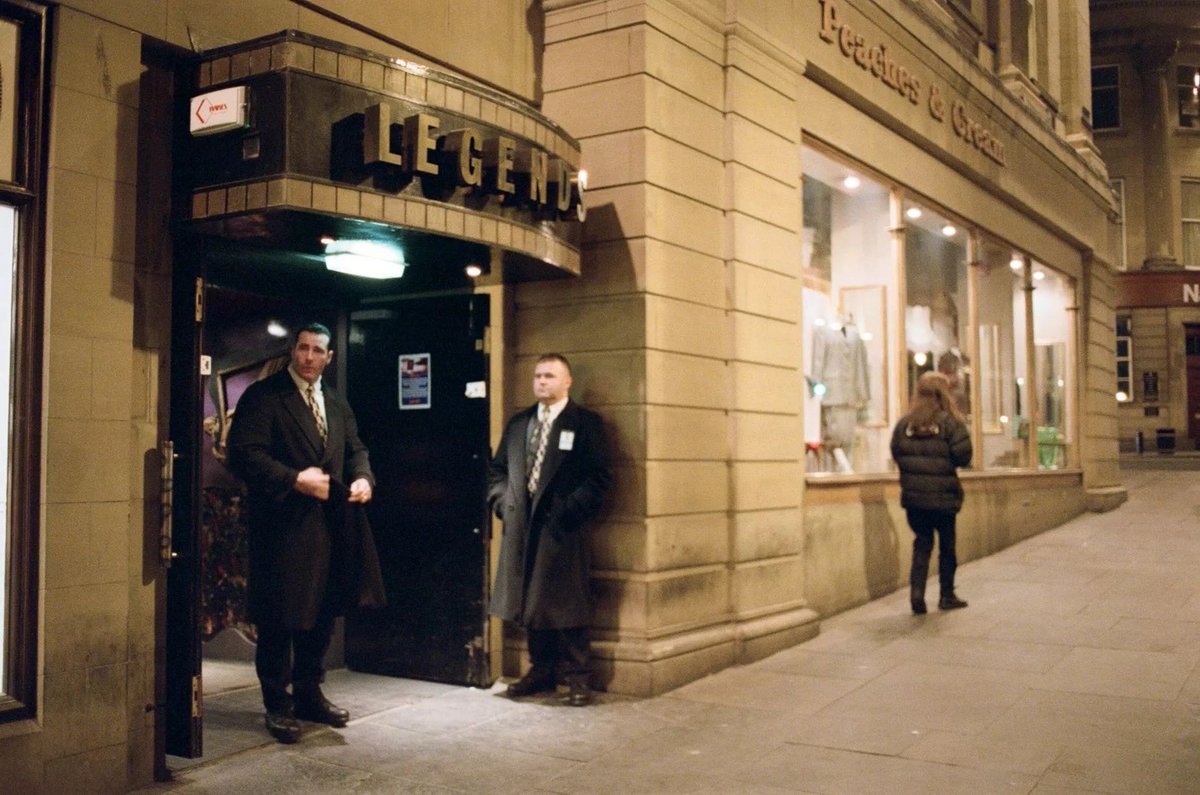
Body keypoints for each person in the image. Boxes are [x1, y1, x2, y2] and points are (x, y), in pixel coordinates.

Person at [227, 322, 383, 743]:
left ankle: (310, 694)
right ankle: (277, 705)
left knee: (322, 613)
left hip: (331, 525)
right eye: (303, 348)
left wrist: (364, 477)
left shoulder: (334, 401)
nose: (309, 357)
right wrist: (295, 478)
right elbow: (243, 455)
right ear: (293, 350)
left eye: (318, 351)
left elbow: (355, 448)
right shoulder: (265, 396)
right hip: (283, 527)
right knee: (280, 618)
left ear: (330, 358)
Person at [488, 353, 611, 706]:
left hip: (563, 530)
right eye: (538, 376)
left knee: (568, 604)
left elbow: (599, 477)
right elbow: (497, 472)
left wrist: (568, 513)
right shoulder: (519, 424)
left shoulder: (585, 423)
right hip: (523, 528)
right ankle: (540, 671)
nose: (542, 381)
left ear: (567, 381)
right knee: (531, 603)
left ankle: (577, 678)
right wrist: (504, 506)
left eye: (550, 376)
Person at [890, 371, 972, 615]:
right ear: (943, 394)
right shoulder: (950, 423)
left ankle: (917, 595)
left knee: (922, 544)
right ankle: (946, 595)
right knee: (947, 547)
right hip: (944, 497)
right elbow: (964, 456)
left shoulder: (905, 425)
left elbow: (897, 454)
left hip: (915, 500)